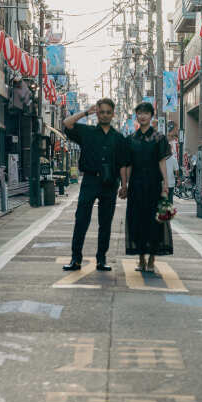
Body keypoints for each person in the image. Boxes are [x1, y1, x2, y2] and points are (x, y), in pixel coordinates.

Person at [62, 98, 130, 272]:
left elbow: (123, 163)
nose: (105, 115)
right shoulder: (87, 132)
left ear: (113, 114)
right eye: (102, 112)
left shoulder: (119, 137)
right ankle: (75, 259)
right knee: (81, 220)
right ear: (97, 113)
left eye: (108, 112)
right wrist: (86, 112)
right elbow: (67, 123)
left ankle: (101, 259)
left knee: (105, 222)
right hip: (90, 181)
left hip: (110, 183)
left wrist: (124, 185)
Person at [125, 101, 172, 274]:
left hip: (153, 184)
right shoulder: (131, 139)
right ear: (136, 116)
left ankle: (152, 259)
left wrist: (165, 184)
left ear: (151, 116)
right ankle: (141, 259)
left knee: (154, 223)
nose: (143, 116)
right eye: (140, 113)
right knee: (137, 222)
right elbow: (128, 164)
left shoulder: (159, 138)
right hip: (136, 185)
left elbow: (162, 162)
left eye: (146, 113)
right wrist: (125, 185)